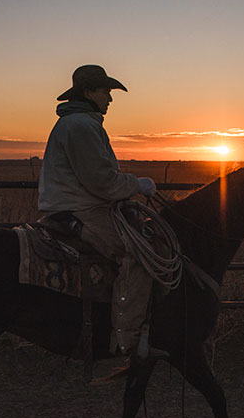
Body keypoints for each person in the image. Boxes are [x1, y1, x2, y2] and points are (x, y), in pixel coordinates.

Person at [37, 64, 166, 382]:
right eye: (105, 90)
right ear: (88, 92)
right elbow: (102, 182)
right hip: (81, 209)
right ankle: (127, 343)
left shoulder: (78, 123)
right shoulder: (81, 125)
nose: (110, 97)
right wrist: (137, 184)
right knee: (140, 253)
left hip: (76, 204)